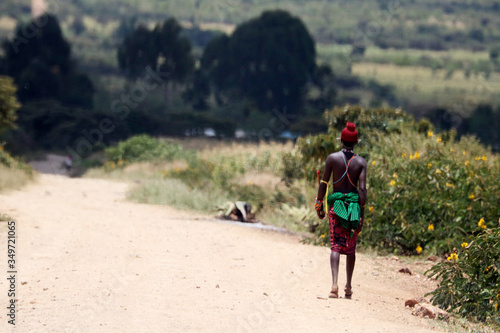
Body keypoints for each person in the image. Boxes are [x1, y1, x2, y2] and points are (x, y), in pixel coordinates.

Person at [315, 122, 367, 299]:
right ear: (356, 142)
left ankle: (334, 285)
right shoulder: (361, 162)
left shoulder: (332, 158)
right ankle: (349, 287)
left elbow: (324, 184)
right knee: (351, 248)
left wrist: (318, 204)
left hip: (336, 207)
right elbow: (362, 192)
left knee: (335, 246)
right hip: (353, 208)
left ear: (341, 140)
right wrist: (362, 216)